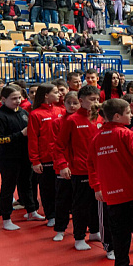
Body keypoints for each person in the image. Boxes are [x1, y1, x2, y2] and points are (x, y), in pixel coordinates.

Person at [87, 99, 133, 266]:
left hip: (112, 193)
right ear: (117, 116)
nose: (131, 115)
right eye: (128, 112)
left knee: (119, 231)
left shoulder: (96, 137)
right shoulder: (125, 133)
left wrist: (96, 187)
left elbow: (91, 164)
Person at [52, 85, 101, 250]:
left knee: (96, 203)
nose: (96, 102)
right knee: (81, 205)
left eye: (97, 99)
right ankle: (79, 237)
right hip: (80, 169)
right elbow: (59, 146)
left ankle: (94, 231)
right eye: (92, 99)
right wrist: (62, 165)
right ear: (81, 101)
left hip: (99, 169)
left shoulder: (100, 118)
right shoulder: (72, 120)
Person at [0, 84, 42, 230]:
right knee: (8, 187)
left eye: (19, 98)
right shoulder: (1, 116)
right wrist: (20, 134)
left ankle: (31, 211)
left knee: (26, 184)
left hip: (24, 155)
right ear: (3, 99)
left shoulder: (23, 112)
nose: (17, 101)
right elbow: (0, 139)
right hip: (8, 157)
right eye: (13, 98)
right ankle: (6, 218)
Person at [27, 83, 63, 227]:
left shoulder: (61, 111)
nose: (59, 94)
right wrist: (35, 161)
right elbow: (33, 139)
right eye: (56, 92)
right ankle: (51, 214)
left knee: (62, 188)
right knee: (47, 188)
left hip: (61, 158)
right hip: (45, 158)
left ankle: (62, 213)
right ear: (46, 95)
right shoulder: (36, 114)